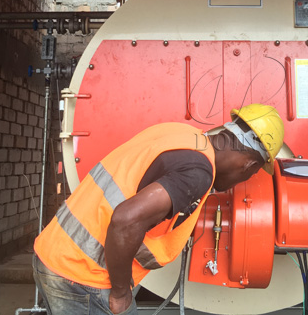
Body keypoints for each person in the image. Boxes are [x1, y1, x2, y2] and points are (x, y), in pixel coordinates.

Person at [32, 103, 285, 315]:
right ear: (249, 165)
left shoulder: (182, 134)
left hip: (51, 253)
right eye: (252, 174)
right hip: (83, 278)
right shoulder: (199, 173)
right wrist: (120, 293)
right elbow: (125, 220)